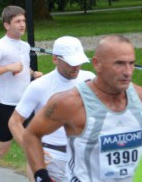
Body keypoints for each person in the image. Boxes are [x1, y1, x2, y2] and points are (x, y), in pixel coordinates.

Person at [23, 35, 142, 182]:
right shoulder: (69, 102)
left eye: (131, 63)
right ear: (97, 64)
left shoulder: (139, 97)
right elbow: (31, 135)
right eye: (119, 64)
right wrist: (42, 176)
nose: (128, 72)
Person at [8, 36, 95, 181]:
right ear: (55, 59)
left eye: (79, 61)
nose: (76, 66)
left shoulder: (89, 79)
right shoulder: (40, 86)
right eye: (70, 63)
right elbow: (14, 121)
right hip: (53, 158)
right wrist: (32, 150)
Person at [0, 5, 42, 182]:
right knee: (1, 149)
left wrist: (34, 74)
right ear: (7, 25)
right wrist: (7, 68)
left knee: (32, 150)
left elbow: (23, 69)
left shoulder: (25, 45)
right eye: (17, 21)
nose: (22, 25)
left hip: (25, 106)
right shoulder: (0, 47)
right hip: (4, 107)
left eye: (24, 21)